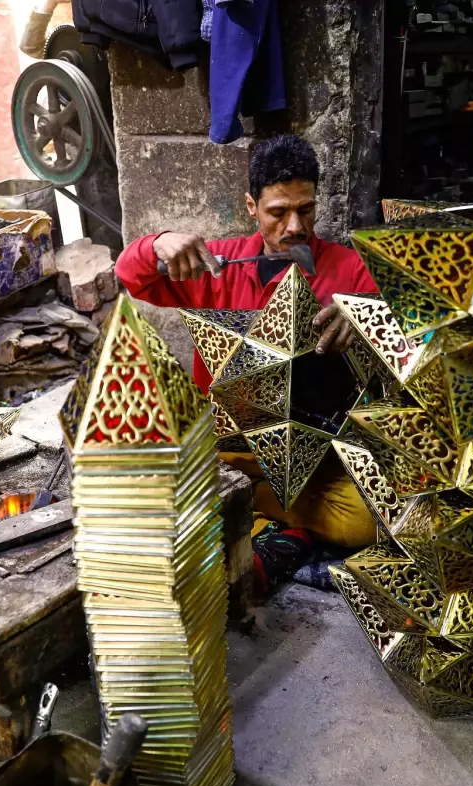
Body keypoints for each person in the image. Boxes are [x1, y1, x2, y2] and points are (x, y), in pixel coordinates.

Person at [116, 134, 378, 591]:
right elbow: (129, 276)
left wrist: (363, 320)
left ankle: (254, 518)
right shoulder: (216, 265)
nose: (295, 225)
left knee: (365, 525)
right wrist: (157, 244)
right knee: (138, 499)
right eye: (278, 211)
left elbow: (392, 349)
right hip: (228, 449)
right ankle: (271, 522)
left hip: (313, 456)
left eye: (306, 209)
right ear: (251, 207)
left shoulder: (349, 269)